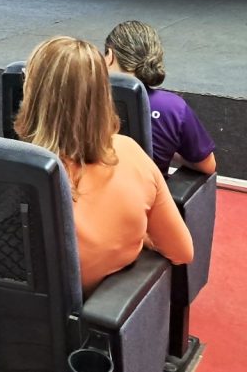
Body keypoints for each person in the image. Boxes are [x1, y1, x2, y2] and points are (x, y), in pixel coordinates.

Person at [14, 36, 192, 293]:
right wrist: (140, 236)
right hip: (97, 312)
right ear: (103, 94)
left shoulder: (9, 170)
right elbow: (182, 252)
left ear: (32, 93)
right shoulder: (130, 154)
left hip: (16, 312)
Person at [105, 21, 217, 175]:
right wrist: (169, 149)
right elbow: (208, 166)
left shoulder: (82, 98)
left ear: (110, 56)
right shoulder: (172, 108)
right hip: (146, 190)